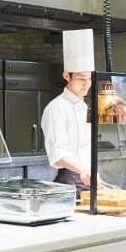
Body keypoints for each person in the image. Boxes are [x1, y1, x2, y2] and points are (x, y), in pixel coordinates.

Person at [41, 29, 95, 190]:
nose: (86, 84)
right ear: (66, 76)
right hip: (68, 180)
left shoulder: (84, 106)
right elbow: (58, 154)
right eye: (81, 79)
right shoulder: (55, 108)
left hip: (88, 177)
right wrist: (83, 170)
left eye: (89, 79)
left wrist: (92, 172)